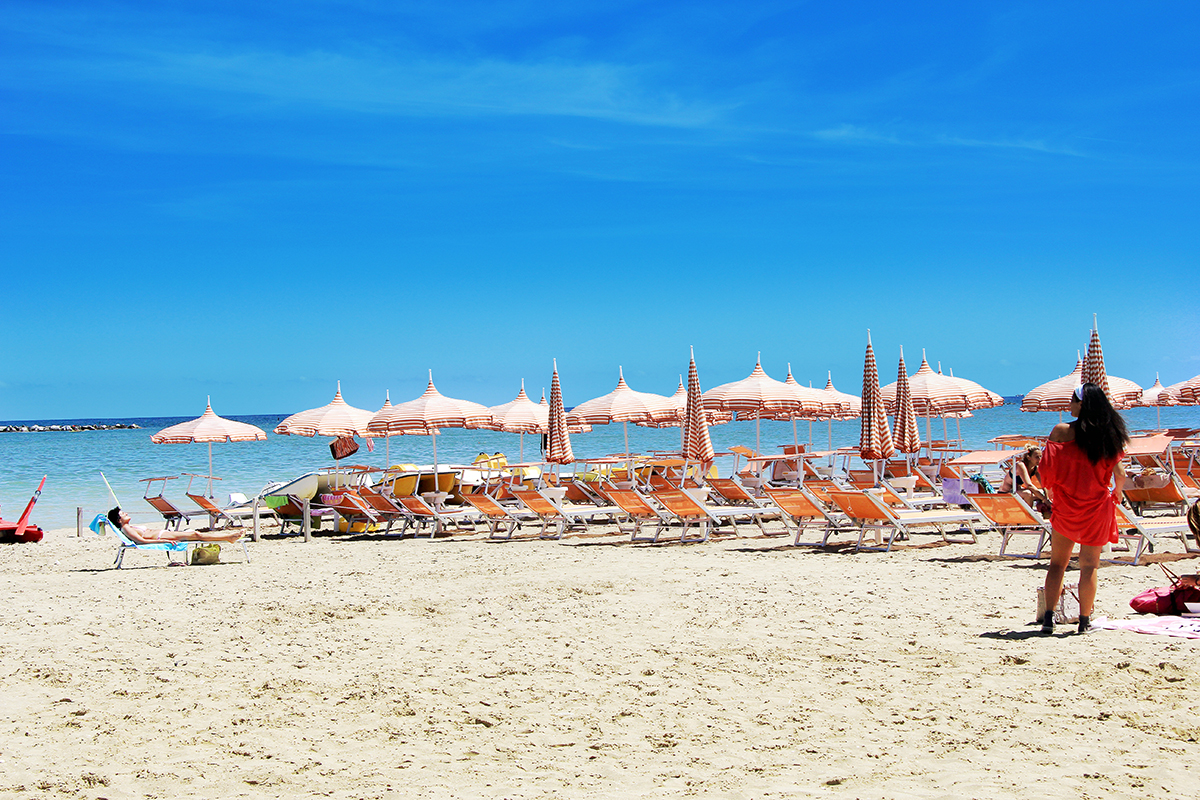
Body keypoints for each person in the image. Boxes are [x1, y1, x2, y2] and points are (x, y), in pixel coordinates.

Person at [1038, 383, 1129, 634]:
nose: (1069, 405)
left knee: (1057, 564)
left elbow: (1046, 471)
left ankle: (1048, 619)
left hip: (1067, 504)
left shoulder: (1061, 431)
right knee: (1089, 566)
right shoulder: (1109, 436)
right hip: (1097, 507)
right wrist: (1117, 492)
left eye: (1072, 401)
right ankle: (1084, 622)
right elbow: (1119, 474)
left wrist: (1052, 491)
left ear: (1082, 404)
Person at [107, 507, 243, 544]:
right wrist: (165, 540)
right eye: (123, 514)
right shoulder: (126, 528)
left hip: (164, 533)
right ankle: (228, 537)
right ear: (119, 520)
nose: (126, 513)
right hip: (163, 536)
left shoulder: (129, 526)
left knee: (196, 534)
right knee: (196, 535)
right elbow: (141, 541)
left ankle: (227, 537)